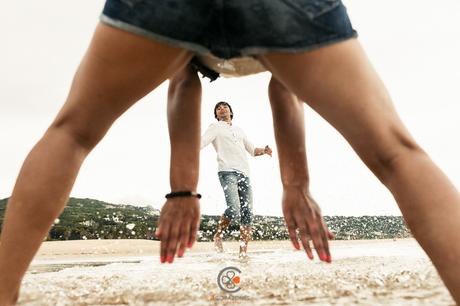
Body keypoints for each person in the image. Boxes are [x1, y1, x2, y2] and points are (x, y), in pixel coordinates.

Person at [1, 1, 459, 304]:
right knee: (396, 154)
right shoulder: (237, 107)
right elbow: (285, 87)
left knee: (73, 132)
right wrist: (296, 186)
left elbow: (183, 80)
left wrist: (182, 191)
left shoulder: (223, 111)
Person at [200, 101, 272, 258]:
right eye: (218, 108)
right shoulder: (215, 127)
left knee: (247, 213)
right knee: (234, 208)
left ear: (231, 111)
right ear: (216, 114)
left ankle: (243, 253)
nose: (222, 109)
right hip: (227, 171)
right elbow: (201, 142)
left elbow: (252, 150)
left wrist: (264, 151)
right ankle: (218, 235)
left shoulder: (239, 130)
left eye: (225, 106)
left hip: (244, 173)